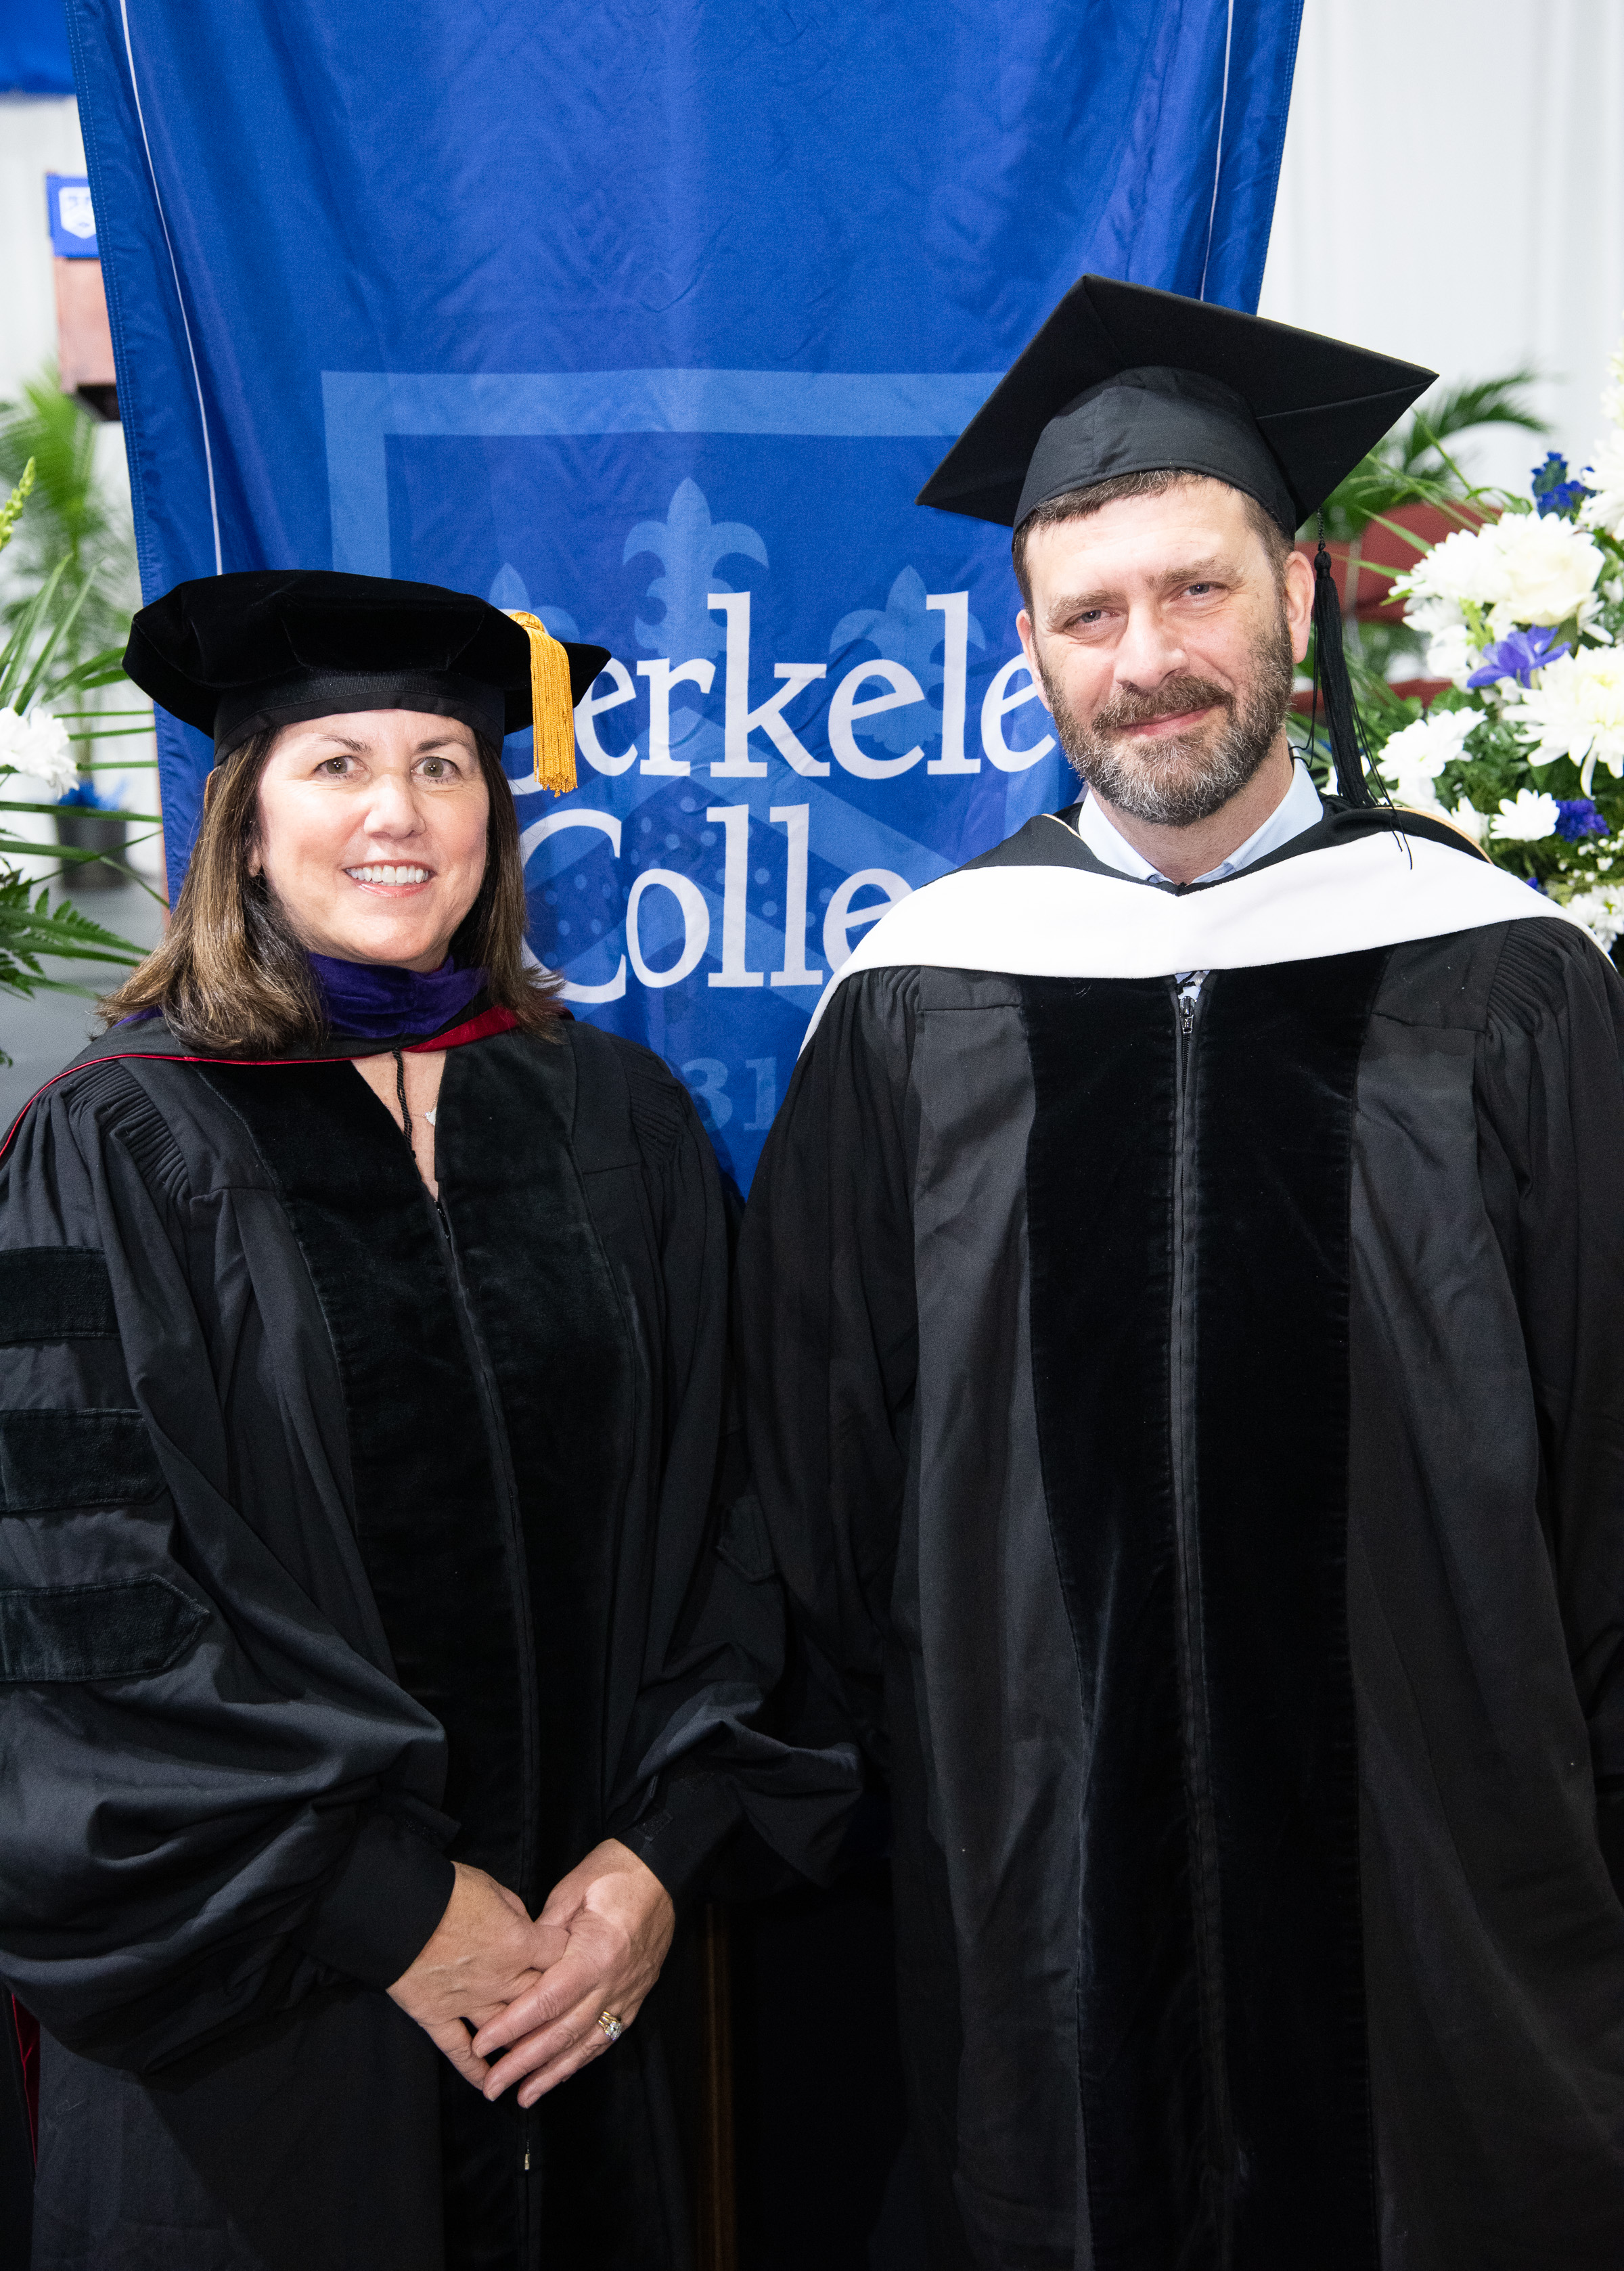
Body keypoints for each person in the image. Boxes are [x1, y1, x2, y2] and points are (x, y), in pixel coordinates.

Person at [738, 277, 1624, 2270]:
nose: (1147, 660)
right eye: (1090, 615)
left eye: (1195, 590)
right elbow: (821, 1482)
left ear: (1297, 594)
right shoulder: (918, 1001)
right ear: (1031, 651)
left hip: (1454, 1893)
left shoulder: (1503, 976)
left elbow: (1612, 1447)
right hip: (1039, 1893)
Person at [0, 570, 853, 2271]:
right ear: (247, 829)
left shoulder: (615, 1113)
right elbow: (80, 1601)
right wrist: (388, 1906)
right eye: (337, 764)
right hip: (270, 2000)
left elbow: (740, 1510)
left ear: (494, 822)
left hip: (585, 1988)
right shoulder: (119, 1143)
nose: (397, 812)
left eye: (444, 765)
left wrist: (655, 1856)